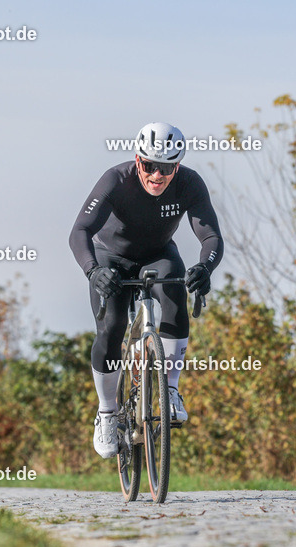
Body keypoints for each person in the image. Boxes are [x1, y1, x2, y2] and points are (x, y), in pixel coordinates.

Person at [69, 122, 224, 458]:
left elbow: (211, 237)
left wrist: (205, 267)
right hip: (111, 258)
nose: (157, 175)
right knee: (111, 328)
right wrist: (92, 270)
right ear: (137, 160)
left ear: (177, 166)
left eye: (166, 167)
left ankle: (169, 391)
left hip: (157, 255)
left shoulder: (189, 184)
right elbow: (79, 230)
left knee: (175, 292)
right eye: (150, 166)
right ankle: (107, 413)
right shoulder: (116, 180)